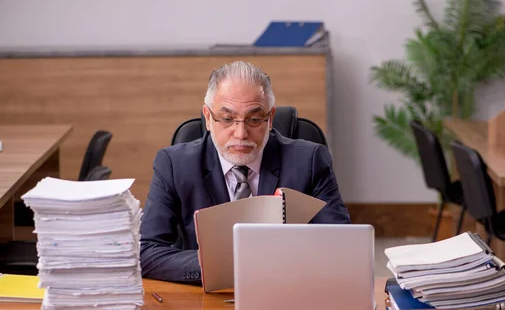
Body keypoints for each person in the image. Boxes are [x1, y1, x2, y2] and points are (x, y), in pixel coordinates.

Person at [140, 61, 351, 284]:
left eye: (254, 119)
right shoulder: (175, 164)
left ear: (270, 118)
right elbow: (147, 251)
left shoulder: (309, 161)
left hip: (287, 288)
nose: (241, 134)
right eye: (228, 119)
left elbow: (341, 244)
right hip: (206, 296)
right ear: (208, 117)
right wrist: (222, 266)